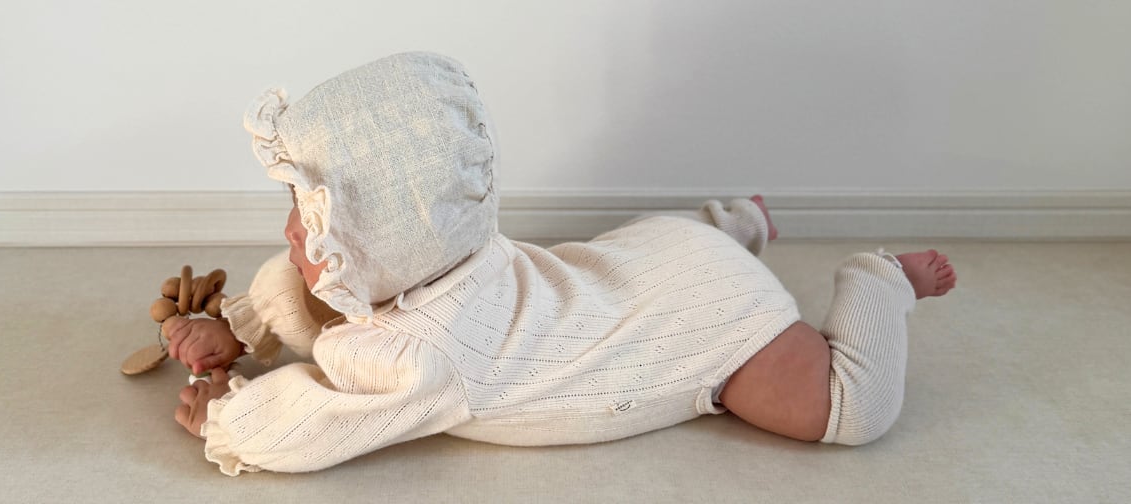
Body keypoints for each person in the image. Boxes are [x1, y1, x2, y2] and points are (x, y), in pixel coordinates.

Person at [166, 52, 956, 476]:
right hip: (653, 256)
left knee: (847, 411)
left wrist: (228, 415)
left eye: (310, 223)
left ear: (390, 245)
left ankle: (879, 281)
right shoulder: (446, 250)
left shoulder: (426, 358)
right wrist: (244, 327)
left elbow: (315, 426)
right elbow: (318, 297)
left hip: (701, 323)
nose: (291, 235)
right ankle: (734, 224)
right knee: (607, 262)